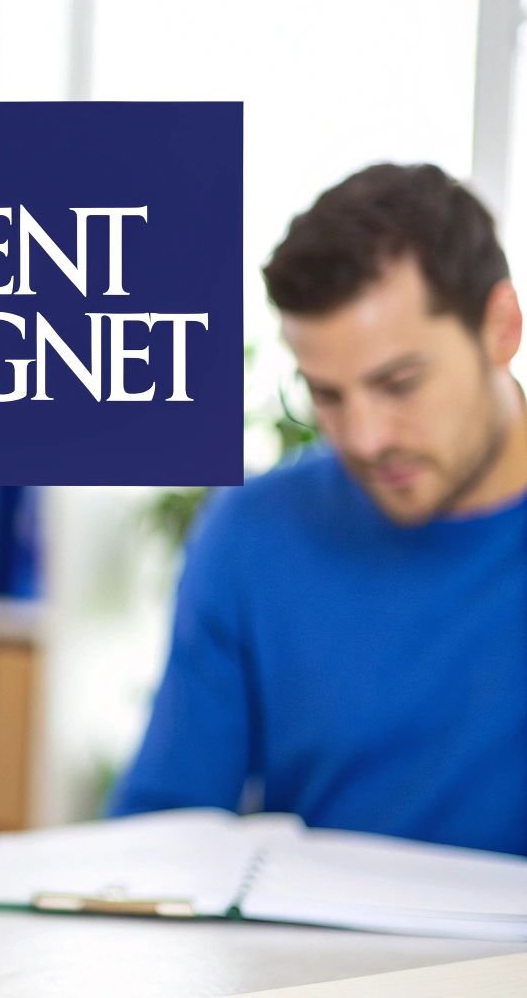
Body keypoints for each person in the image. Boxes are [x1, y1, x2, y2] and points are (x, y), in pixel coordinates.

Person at [110, 163, 527, 856]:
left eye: (399, 384)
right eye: (327, 395)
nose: (364, 439)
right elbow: (158, 836)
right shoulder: (252, 535)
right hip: (308, 930)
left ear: (502, 328)